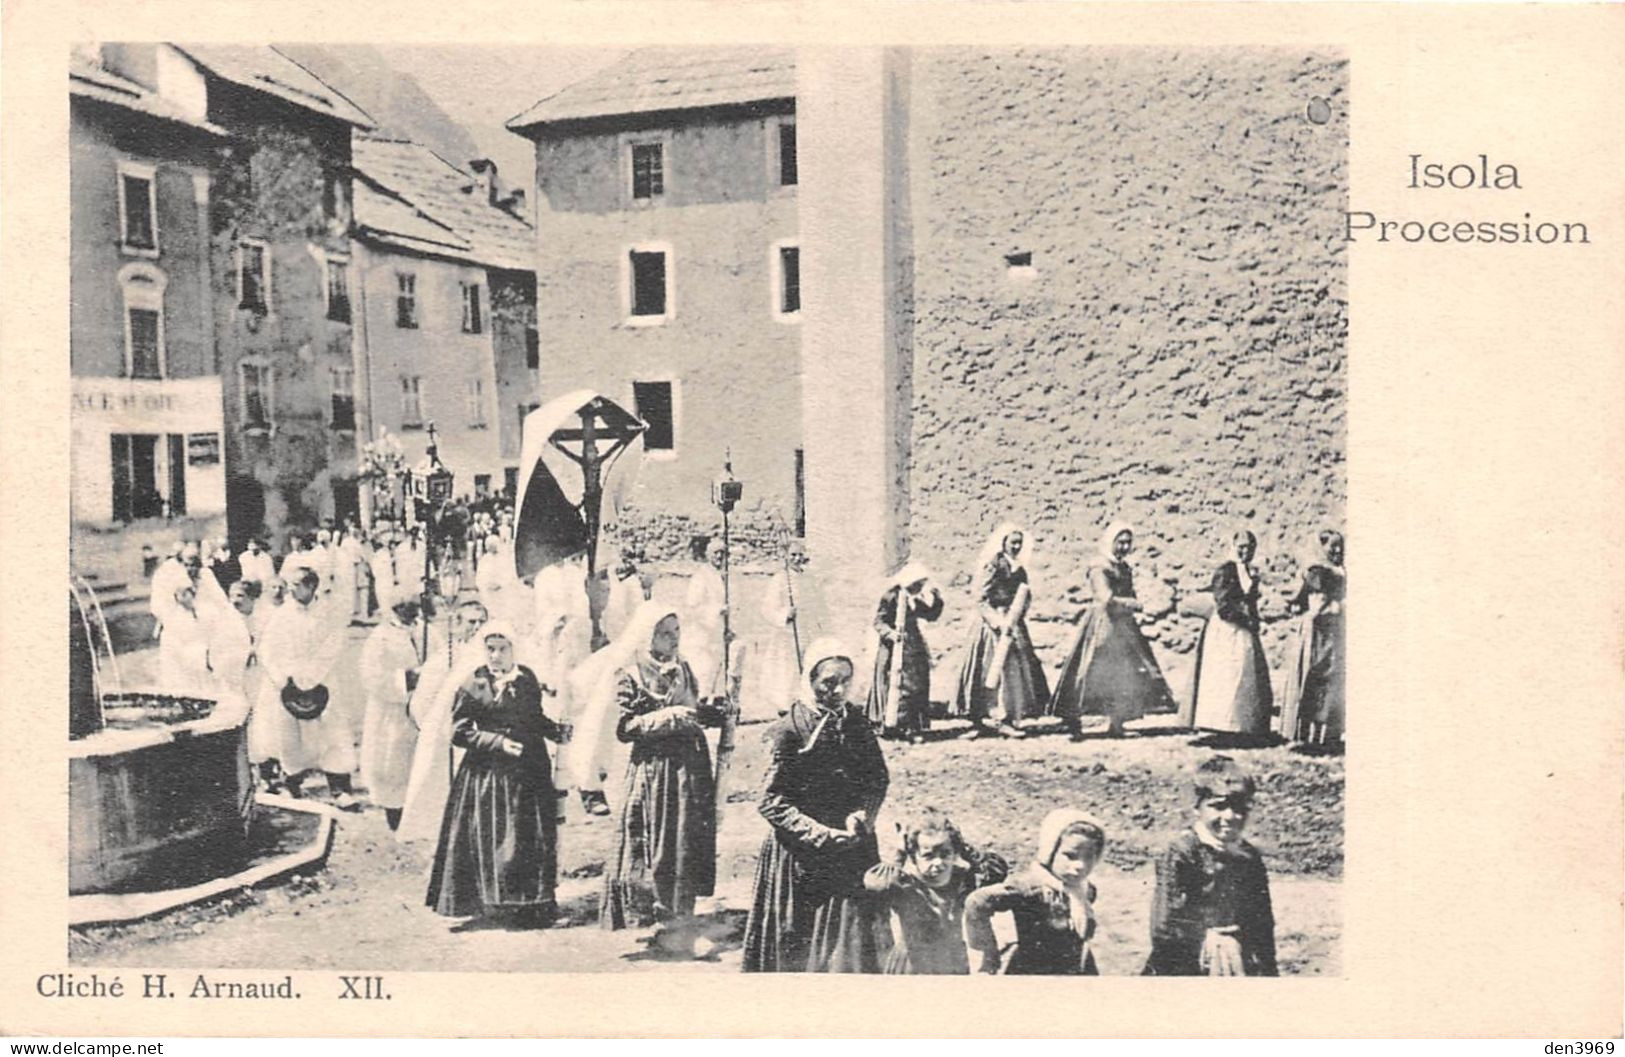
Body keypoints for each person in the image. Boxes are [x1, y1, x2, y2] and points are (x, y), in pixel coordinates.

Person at [742, 639, 891, 973]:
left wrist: (862, 814)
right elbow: (770, 800)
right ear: (810, 681)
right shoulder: (788, 730)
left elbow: (877, 777)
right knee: (800, 939)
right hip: (802, 854)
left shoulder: (856, 722)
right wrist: (819, 832)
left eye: (845, 681)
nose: (838, 690)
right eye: (828, 682)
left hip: (852, 845)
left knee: (853, 942)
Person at [599, 606, 726, 947]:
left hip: (690, 767)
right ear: (648, 635)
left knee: (686, 836)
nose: (674, 638)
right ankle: (659, 917)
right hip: (656, 770)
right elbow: (625, 728)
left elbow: (694, 710)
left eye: (677, 630)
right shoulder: (631, 674)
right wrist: (669, 717)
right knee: (659, 838)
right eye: (666, 632)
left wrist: (715, 712)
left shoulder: (682, 667)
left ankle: (682, 915)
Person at [425, 623, 567, 927]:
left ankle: (532, 903)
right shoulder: (474, 684)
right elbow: (460, 733)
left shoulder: (526, 679)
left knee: (530, 836)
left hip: (530, 769)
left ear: (514, 650)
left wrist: (556, 731)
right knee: (497, 836)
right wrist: (497, 742)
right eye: (491, 649)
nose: (496, 655)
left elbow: (534, 718)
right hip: (489, 774)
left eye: (503, 649)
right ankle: (497, 903)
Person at [1143, 756, 1277, 976]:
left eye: (1239, 808)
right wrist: (1206, 939)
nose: (1230, 816)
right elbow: (1165, 924)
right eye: (1218, 806)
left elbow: (1262, 920)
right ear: (1198, 808)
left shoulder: (1248, 857)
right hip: (1188, 959)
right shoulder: (1184, 851)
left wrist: (1268, 968)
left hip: (1238, 958)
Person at [1048, 522, 1177, 738]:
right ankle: (1074, 721)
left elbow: (1129, 592)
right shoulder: (1099, 567)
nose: (1125, 547)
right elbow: (1105, 597)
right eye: (1121, 542)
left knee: (1123, 674)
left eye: (1128, 543)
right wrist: (1134, 605)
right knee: (1091, 670)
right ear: (1111, 542)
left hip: (1123, 627)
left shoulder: (1124, 567)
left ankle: (1117, 723)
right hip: (1103, 625)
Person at [253, 567, 357, 806]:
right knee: (287, 735)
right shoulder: (282, 614)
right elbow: (267, 650)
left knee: (333, 732)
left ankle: (340, 788)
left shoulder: (329, 613)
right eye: (289, 584)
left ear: (311, 587)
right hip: (288, 685)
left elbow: (334, 644)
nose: (290, 588)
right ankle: (292, 782)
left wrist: (311, 676)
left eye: (297, 584)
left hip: (323, 681)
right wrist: (284, 678)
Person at [863, 809, 1009, 974]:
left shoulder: (963, 879)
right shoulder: (906, 884)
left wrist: (963, 847)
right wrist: (899, 853)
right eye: (928, 856)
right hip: (912, 965)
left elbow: (996, 872)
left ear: (955, 853)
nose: (938, 862)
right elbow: (877, 884)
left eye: (945, 854)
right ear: (913, 856)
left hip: (952, 961)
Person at [964, 808, 1108, 975]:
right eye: (1070, 855)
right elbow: (977, 902)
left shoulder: (1084, 890)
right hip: (1032, 972)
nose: (1080, 865)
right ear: (1050, 851)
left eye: (1089, 856)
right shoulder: (1031, 887)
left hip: (1076, 967)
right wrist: (988, 953)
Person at [395, 599, 491, 843]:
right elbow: (423, 699)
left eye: (482, 622)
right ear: (457, 624)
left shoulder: (491, 655)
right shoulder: (444, 657)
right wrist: (432, 726)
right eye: (471, 622)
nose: (477, 627)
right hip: (444, 729)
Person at [951, 524, 1048, 738]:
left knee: (1012, 670)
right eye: (1012, 542)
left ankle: (1007, 717)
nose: (1016, 546)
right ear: (1003, 542)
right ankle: (983, 717)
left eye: (1019, 543)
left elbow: (1025, 595)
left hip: (1013, 621)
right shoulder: (993, 565)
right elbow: (981, 598)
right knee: (988, 669)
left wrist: (1017, 616)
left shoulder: (1020, 569)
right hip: (992, 624)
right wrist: (996, 621)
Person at [1185, 530, 1274, 736]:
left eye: (1249, 548)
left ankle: (1245, 724)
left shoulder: (1251, 573)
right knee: (1226, 673)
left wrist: (1254, 619)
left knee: (1246, 674)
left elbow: (1250, 601)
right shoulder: (1225, 571)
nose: (1245, 552)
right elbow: (1223, 604)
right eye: (1241, 547)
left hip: (1245, 629)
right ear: (1234, 547)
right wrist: (1244, 619)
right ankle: (1221, 724)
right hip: (1227, 629)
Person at [360, 595, 424, 830]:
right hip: (391, 710)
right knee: (392, 760)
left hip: (421, 705)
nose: (411, 611)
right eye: (405, 607)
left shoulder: (426, 631)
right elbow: (371, 676)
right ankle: (394, 811)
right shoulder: (381, 637)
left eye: (414, 606)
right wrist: (407, 677)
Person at [1277, 530, 1345, 746]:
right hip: (1317, 632)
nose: (1337, 551)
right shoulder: (1317, 572)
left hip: (1336, 632)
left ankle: (1327, 735)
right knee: (1313, 677)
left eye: (1340, 547)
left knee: (1333, 681)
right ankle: (1305, 734)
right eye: (1332, 546)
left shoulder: (1340, 571)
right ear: (1321, 548)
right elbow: (1313, 594)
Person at [866, 562, 943, 741]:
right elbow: (878, 621)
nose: (919, 587)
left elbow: (931, 615)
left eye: (921, 583)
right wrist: (891, 633)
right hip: (894, 648)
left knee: (917, 685)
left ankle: (912, 727)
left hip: (913, 644)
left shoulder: (916, 597)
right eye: (916, 583)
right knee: (896, 685)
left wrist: (936, 599)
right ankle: (891, 725)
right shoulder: (892, 595)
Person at [741, 544, 807, 725]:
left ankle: (800, 705)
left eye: (800, 555)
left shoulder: (806, 579)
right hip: (785, 633)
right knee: (785, 671)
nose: (796, 559)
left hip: (803, 632)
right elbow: (767, 608)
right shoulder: (780, 579)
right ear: (786, 557)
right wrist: (785, 614)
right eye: (793, 555)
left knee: (802, 670)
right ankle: (785, 708)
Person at [684, 537, 731, 698]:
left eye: (723, 553)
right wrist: (716, 610)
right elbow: (693, 607)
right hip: (701, 634)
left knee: (715, 673)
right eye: (716, 553)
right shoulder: (701, 577)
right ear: (708, 555)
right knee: (703, 671)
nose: (719, 557)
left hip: (717, 634)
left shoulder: (722, 576)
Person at [157, 582, 214, 698]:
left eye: (187, 594)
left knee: (203, 677)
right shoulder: (175, 616)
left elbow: (207, 631)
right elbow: (173, 640)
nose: (185, 598)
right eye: (180, 595)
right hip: (183, 652)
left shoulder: (201, 610)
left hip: (199, 651)